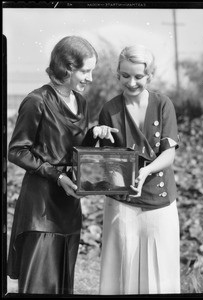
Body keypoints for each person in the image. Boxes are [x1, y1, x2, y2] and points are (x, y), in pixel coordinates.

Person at [7, 35, 118, 295]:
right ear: (67, 68)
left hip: (69, 204)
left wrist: (95, 134)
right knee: (39, 285)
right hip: (41, 208)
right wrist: (56, 176)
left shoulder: (81, 102)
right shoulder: (37, 101)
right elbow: (16, 151)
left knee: (63, 283)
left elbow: (76, 151)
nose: (90, 78)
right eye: (85, 71)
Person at [98, 45, 180, 295]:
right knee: (123, 270)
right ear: (117, 74)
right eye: (125, 76)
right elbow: (106, 160)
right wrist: (99, 139)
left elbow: (169, 153)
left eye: (138, 76)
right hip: (122, 203)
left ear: (150, 76)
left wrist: (145, 172)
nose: (131, 82)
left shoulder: (163, 104)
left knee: (160, 274)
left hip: (159, 200)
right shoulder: (109, 110)